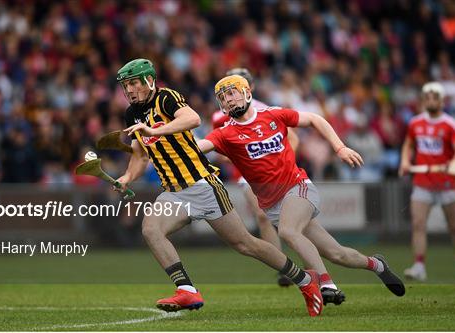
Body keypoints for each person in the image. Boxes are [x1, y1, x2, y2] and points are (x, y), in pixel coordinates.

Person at [115, 58, 324, 317]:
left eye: (134, 83)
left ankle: (304, 279)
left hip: (203, 184)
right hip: (174, 190)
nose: (130, 90)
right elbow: (140, 155)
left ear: (149, 80)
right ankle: (187, 289)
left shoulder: (167, 98)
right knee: (151, 229)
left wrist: (157, 131)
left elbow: (191, 119)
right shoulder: (132, 113)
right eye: (126, 85)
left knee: (246, 244)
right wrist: (126, 177)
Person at [198, 74, 406, 301]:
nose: (227, 100)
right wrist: (159, 139)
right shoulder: (225, 134)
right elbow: (197, 148)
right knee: (337, 253)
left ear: (247, 92)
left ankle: (327, 285)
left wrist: (339, 148)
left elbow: (316, 119)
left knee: (288, 231)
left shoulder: (273, 114)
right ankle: (377, 265)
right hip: (272, 205)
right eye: (222, 97)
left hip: (297, 187)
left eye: (231, 93)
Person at [211, 67, 298, 287]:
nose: (230, 94)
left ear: (250, 87)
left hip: (278, 172)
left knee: (297, 222)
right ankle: (284, 268)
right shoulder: (219, 116)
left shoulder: (265, 110)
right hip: (246, 173)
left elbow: (293, 138)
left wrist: (282, 161)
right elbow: (219, 148)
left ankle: (314, 267)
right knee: (262, 215)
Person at [399, 81, 455, 282]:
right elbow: (408, 145)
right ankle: (419, 265)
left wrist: (452, 165)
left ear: (442, 101)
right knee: (418, 224)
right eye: (427, 97)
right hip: (422, 182)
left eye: (435, 97)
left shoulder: (451, 125)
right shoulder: (415, 123)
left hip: (446, 184)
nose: (431, 100)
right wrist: (405, 161)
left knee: (454, 227)